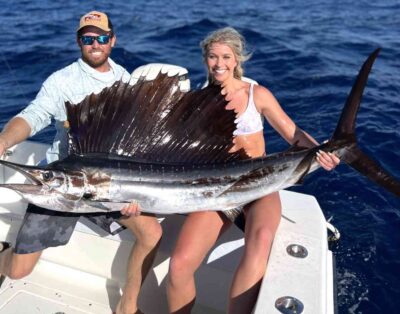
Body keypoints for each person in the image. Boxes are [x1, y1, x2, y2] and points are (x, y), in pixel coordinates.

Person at [166, 27, 340, 314]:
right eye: (212, 57)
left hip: (260, 184)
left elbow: (294, 135)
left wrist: (320, 152)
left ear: (237, 60)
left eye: (226, 56)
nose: (219, 64)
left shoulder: (256, 94)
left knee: (259, 243)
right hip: (220, 190)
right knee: (179, 265)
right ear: (205, 60)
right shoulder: (199, 101)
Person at [0, 11, 161, 314]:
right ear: (79, 42)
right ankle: (2, 256)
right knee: (19, 271)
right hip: (60, 188)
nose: (95, 44)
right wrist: (4, 141)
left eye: (101, 37)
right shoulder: (62, 81)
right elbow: (33, 116)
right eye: (88, 39)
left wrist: (133, 195)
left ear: (112, 40)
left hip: (108, 187)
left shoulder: (124, 81)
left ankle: (127, 306)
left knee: (151, 232)